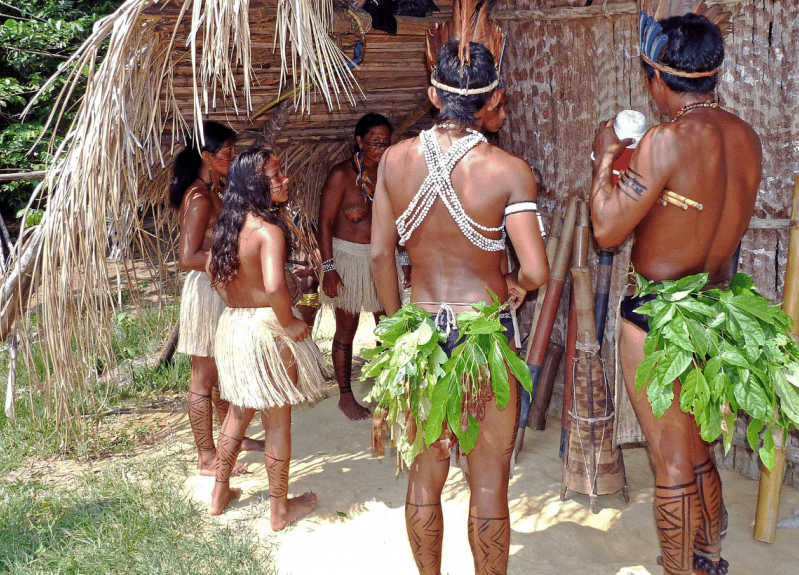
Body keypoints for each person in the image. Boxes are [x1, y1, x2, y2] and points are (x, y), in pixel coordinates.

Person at [588, 12, 760, 575]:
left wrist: (603, 161)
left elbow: (607, 231)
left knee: (670, 462)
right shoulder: (743, 136)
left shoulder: (666, 141)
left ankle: (678, 568)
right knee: (698, 450)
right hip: (715, 311)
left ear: (656, 78)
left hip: (658, 315)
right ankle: (709, 557)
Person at [370, 40, 549, 575]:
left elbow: (381, 255)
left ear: (432, 95)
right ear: (493, 96)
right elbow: (536, 271)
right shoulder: (509, 171)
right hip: (484, 337)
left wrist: (393, 326)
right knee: (488, 480)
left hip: (420, 337)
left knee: (424, 475)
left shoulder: (395, 162)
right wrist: (514, 283)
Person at [206, 148, 327, 526]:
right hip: (267, 332)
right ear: (255, 185)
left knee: (238, 415)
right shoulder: (267, 231)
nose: (284, 180)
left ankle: (220, 492)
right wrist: (289, 322)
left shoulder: (229, 227)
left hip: (235, 326)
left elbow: (214, 273)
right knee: (277, 420)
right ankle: (279, 508)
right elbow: (275, 285)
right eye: (275, 176)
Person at [169, 121, 262, 476]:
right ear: (207, 157)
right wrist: (228, 262)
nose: (232, 157)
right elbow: (186, 257)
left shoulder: (214, 190)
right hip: (206, 291)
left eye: (233, 151)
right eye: (227, 152)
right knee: (204, 377)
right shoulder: (197, 197)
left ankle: (230, 438)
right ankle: (207, 456)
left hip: (218, 286)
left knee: (223, 370)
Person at [317, 113, 398, 420]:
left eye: (385, 142)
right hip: (346, 257)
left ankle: (390, 388)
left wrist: (402, 259)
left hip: (380, 258)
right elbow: (323, 223)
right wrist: (329, 268)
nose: (380, 148)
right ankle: (345, 396)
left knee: (388, 328)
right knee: (346, 329)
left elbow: (397, 222)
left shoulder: (389, 174)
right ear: (359, 141)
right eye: (374, 142)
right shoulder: (341, 175)